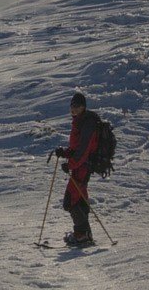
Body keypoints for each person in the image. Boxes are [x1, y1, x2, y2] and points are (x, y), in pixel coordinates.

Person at [55, 92, 99, 247]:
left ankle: (81, 235)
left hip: (82, 167)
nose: (74, 109)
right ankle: (85, 233)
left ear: (83, 107)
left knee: (70, 200)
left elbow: (84, 150)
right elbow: (76, 148)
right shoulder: (79, 122)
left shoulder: (87, 124)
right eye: (72, 106)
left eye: (77, 106)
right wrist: (65, 153)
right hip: (79, 166)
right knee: (79, 199)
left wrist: (71, 164)